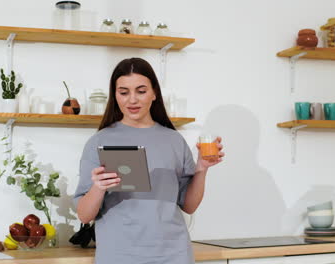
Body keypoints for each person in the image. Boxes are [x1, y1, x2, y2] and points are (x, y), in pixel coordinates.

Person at [74, 57, 224, 263]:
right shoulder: (99, 141)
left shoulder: (174, 140)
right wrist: (98, 187)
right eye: (124, 92)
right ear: (115, 95)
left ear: (154, 93)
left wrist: (202, 168)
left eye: (141, 91)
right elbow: (84, 215)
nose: (132, 100)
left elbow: (188, 206)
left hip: (174, 254)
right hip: (119, 256)